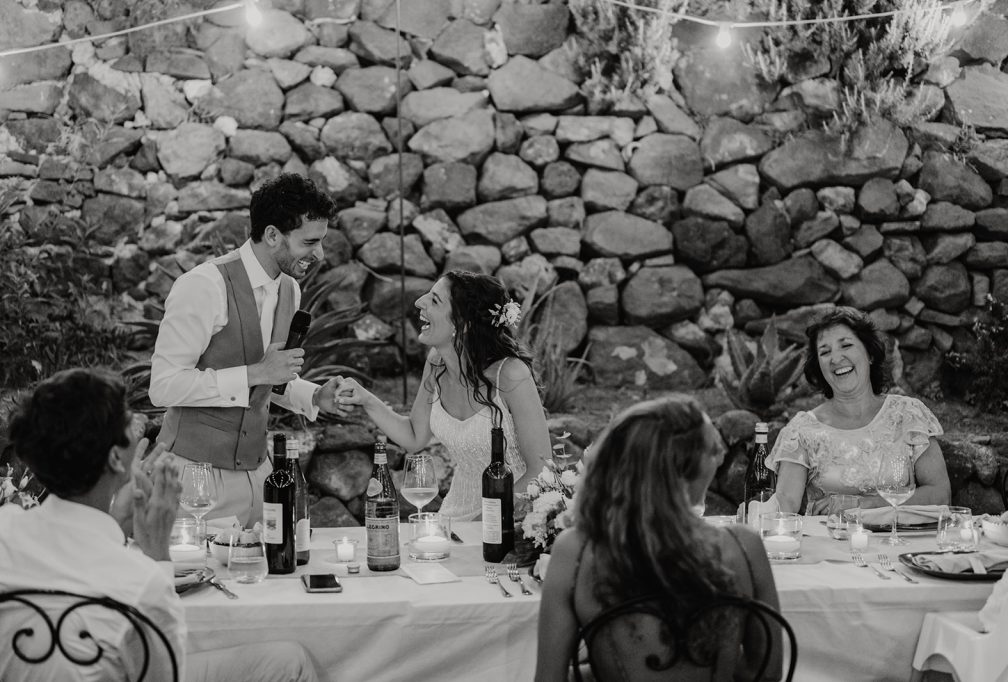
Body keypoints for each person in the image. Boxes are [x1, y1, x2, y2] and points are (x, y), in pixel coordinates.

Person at [0, 368, 317, 682]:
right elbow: (166, 671)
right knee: (291, 660)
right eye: (129, 421)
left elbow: (73, 562)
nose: (140, 425)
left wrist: (117, 525)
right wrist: (157, 555)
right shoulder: (142, 582)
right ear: (116, 458)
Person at [535, 394, 781, 681]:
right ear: (688, 468)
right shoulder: (743, 546)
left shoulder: (575, 549)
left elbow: (548, 679)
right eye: (713, 451)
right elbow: (766, 673)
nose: (719, 460)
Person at [150, 173, 345, 526]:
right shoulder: (203, 285)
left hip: (260, 475)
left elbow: (267, 380)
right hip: (194, 479)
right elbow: (163, 386)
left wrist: (315, 396)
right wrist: (256, 372)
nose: (319, 254)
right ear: (272, 235)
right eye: (309, 242)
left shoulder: (290, 290)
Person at [336, 271, 549, 521]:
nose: (419, 302)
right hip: (455, 515)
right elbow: (414, 437)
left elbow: (540, 470)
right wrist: (366, 399)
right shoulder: (437, 363)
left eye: (435, 300)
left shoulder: (510, 375)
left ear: (463, 323)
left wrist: (484, 522)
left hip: (513, 517)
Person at [767, 307, 951, 515]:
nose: (836, 359)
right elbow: (785, 502)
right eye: (825, 352)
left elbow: (941, 494)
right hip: (830, 535)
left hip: (898, 536)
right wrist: (757, 512)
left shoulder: (908, 414)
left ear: (870, 354)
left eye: (846, 345)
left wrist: (865, 505)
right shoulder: (802, 430)